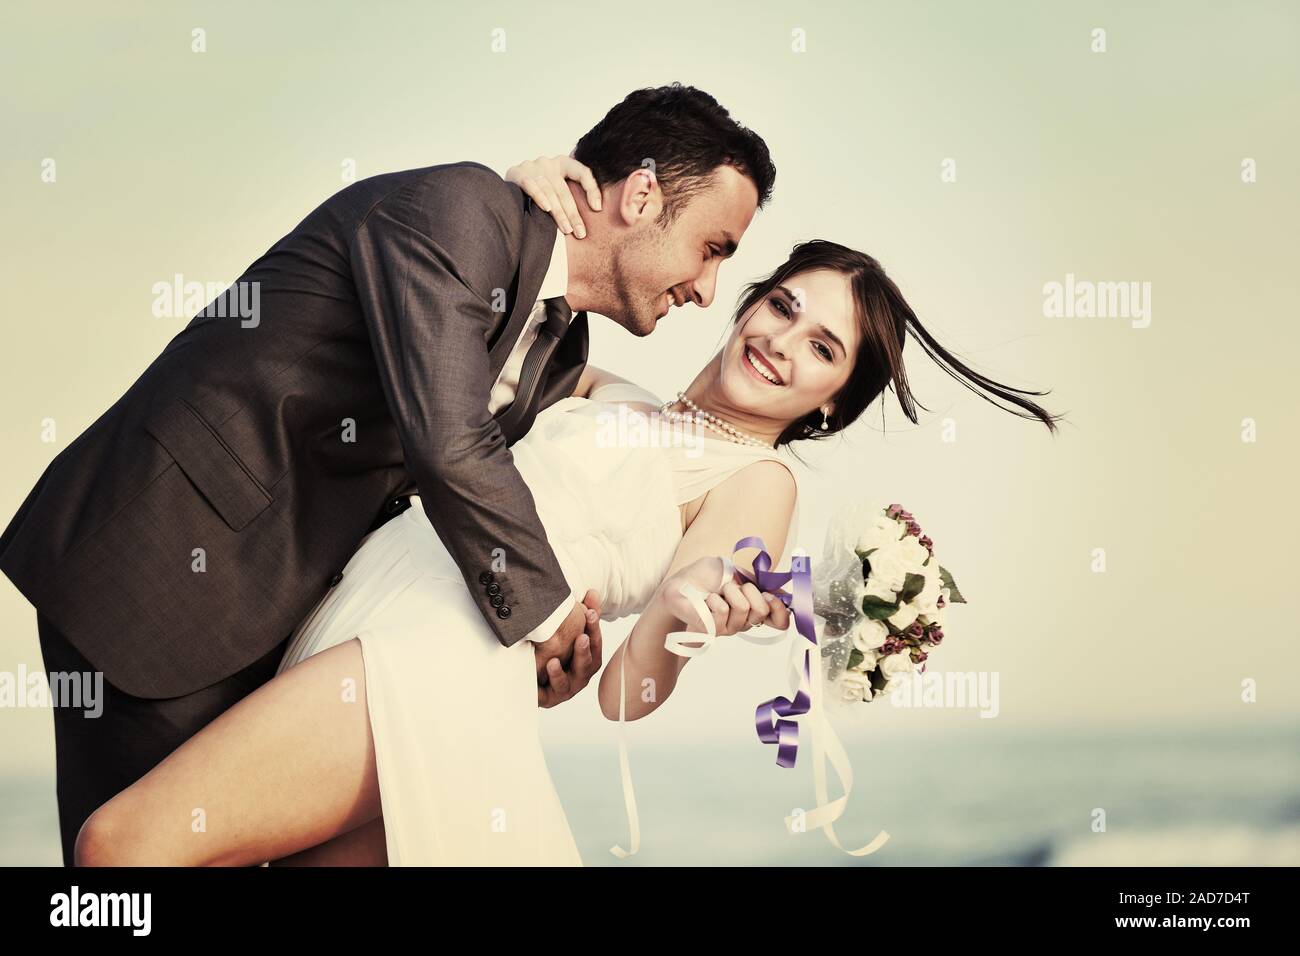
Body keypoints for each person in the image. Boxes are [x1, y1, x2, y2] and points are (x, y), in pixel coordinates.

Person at [73, 159, 1063, 865]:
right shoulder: (609, 393)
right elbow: (482, 343)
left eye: (822, 351)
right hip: (359, 612)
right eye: (784, 306)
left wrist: (688, 611)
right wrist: (524, 194)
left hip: (434, 658)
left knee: (124, 848)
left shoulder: (759, 484)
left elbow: (627, 691)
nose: (784, 341)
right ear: (747, 300)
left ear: (829, 404)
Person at [0, 84, 776, 866]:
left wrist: (540, 644)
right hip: (171, 561)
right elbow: (448, 441)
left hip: (291, 618)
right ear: (641, 195)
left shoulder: (559, 351)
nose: (708, 289)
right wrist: (545, 615)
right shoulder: (461, 210)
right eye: (712, 248)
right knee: (127, 862)